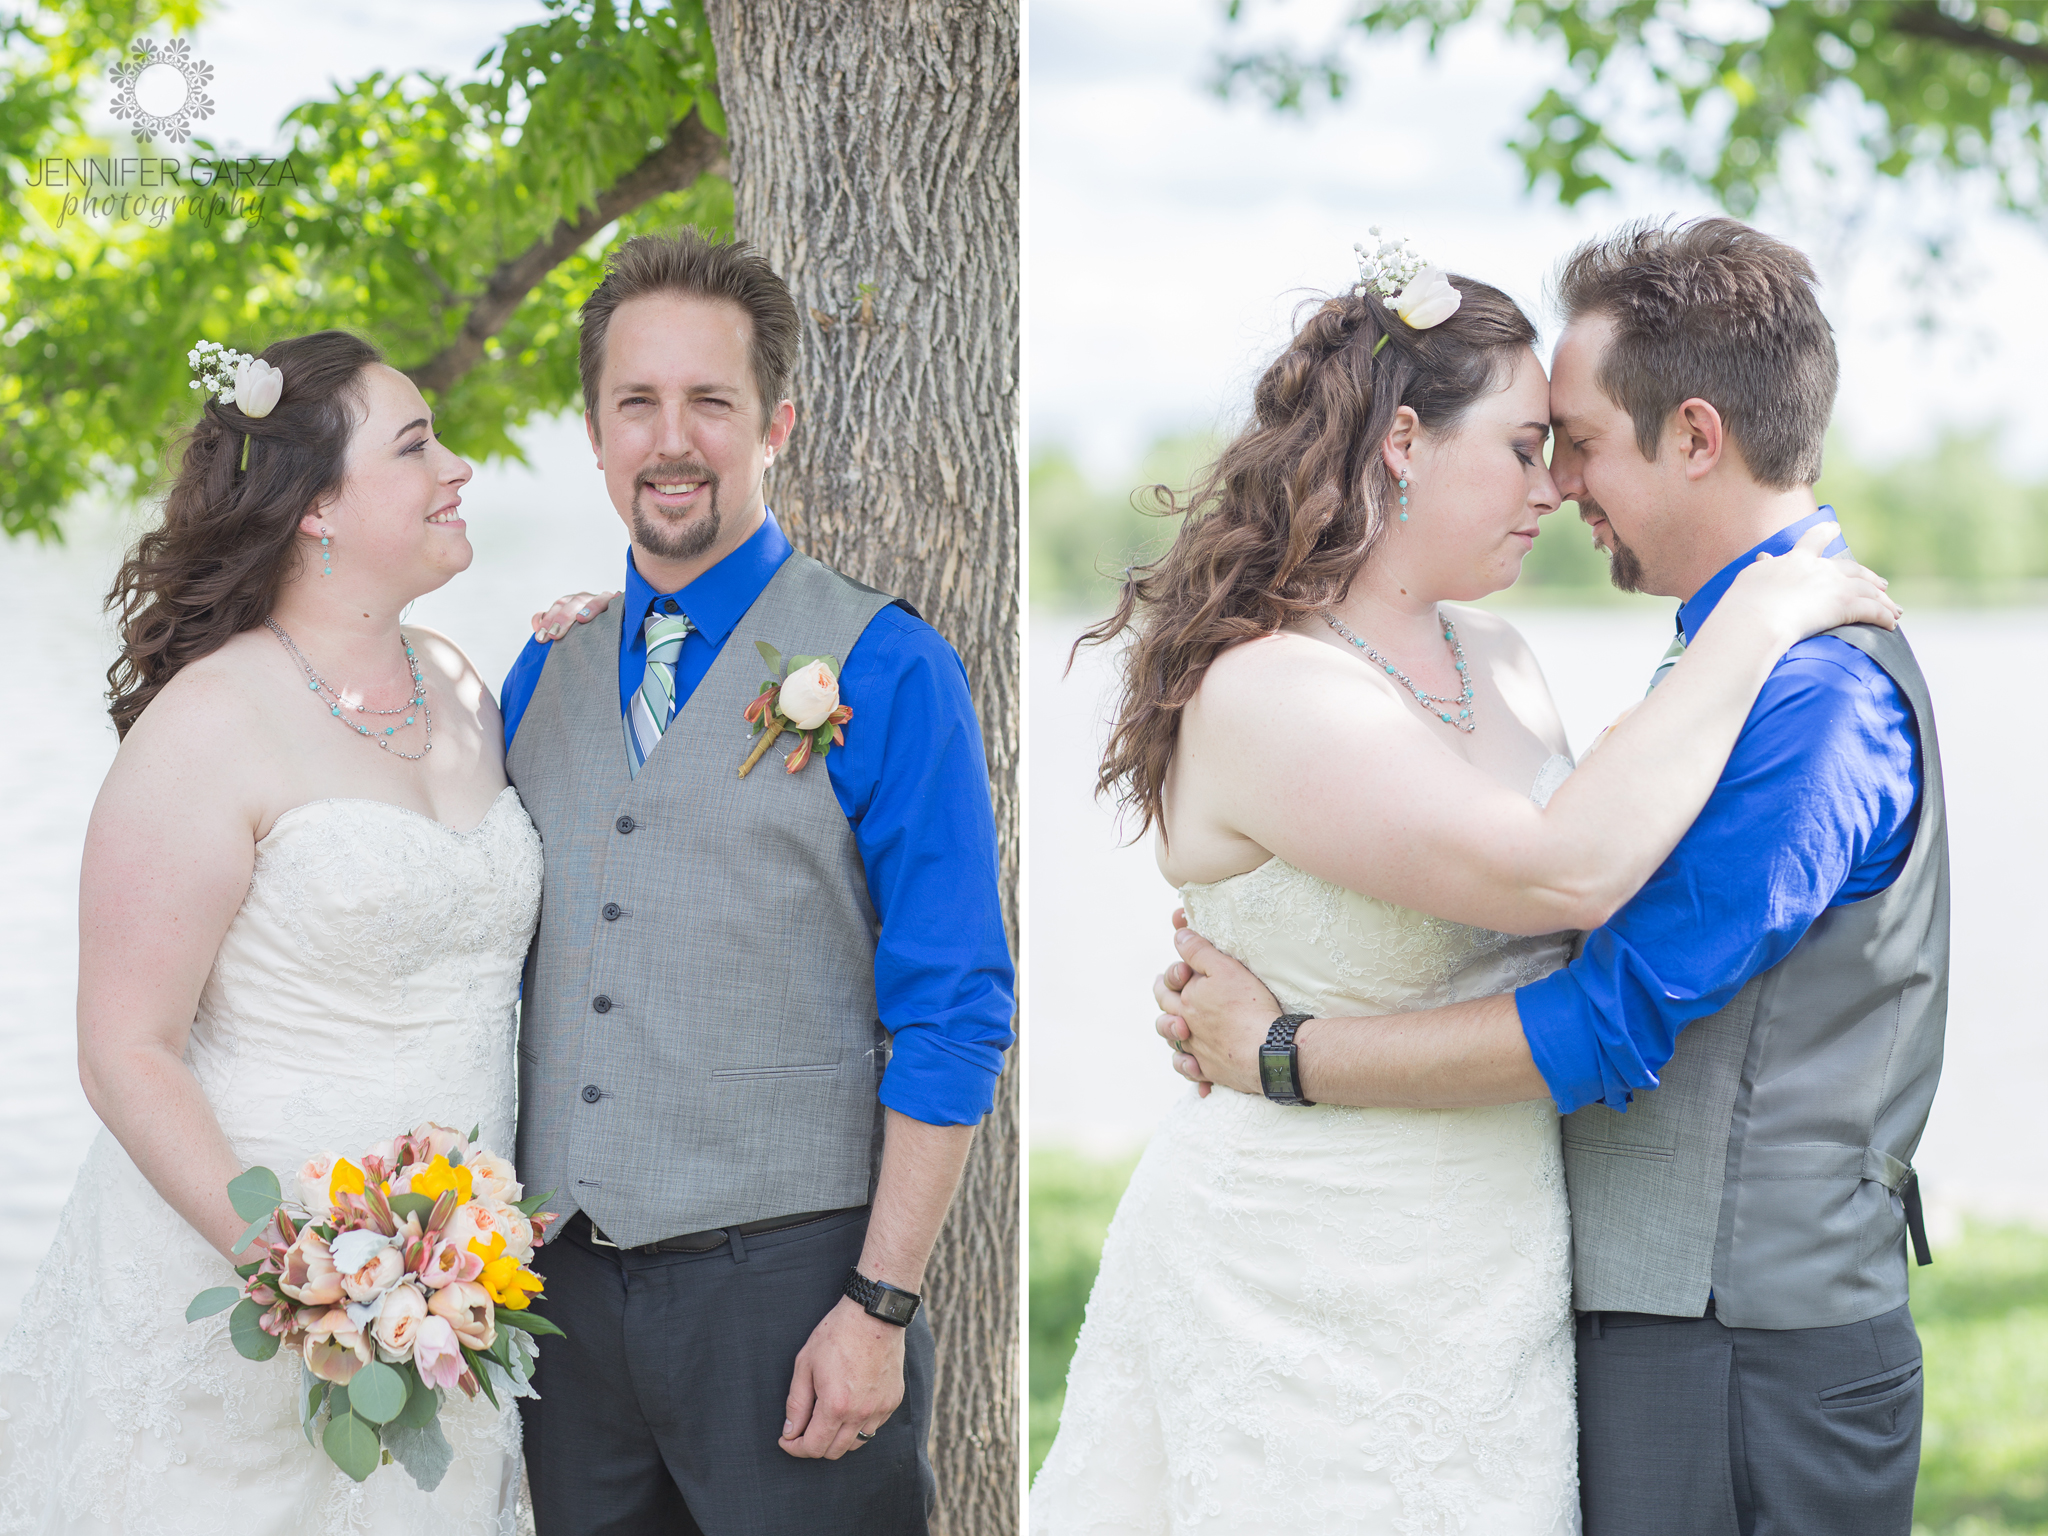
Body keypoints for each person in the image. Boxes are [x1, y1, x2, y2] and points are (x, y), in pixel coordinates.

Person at [1027, 228, 1901, 1535]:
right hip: (1304, 1270)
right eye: (1522, 446)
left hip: (1500, 1277)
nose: (1552, 487)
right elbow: (1567, 871)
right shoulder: (1271, 689)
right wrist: (1767, 611)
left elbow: (1636, 872)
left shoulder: (1505, 660)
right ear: (1402, 445)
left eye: (1564, 448)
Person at [498, 230, 1014, 1535]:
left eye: (710, 402)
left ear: (774, 420)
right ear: (598, 430)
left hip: (794, 1303)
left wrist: (880, 1305)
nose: (674, 440)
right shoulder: (539, 674)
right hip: (561, 1314)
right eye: (639, 402)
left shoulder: (890, 669)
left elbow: (956, 1009)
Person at [0, 330, 543, 1530]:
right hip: (250, 1290)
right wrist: (303, 1278)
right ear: (317, 510)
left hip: (451, 1303)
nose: (457, 466)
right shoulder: (207, 725)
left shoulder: (458, 680)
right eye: (417, 447)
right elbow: (123, 1049)